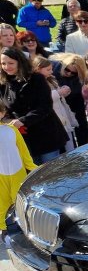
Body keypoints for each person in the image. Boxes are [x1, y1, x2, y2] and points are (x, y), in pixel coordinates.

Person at [0, 47, 67, 162]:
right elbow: (5, 108)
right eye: (3, 64)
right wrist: (7, 120)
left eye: (11, 63)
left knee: (50, 174)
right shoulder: (3, 83)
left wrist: (23, 120)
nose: (7, 67)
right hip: (24, 139)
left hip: (46, 135)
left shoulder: (36, 79)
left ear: (19, 62)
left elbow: (45, 106)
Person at [0, 98, 36, 234]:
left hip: (18, 171)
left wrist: (31, 166)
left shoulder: (12, 130)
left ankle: (25, 226)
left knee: (19, 200)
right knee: (2, 201)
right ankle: (3, 228)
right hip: (1, 175)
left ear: (3, 113)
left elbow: (23, 150)